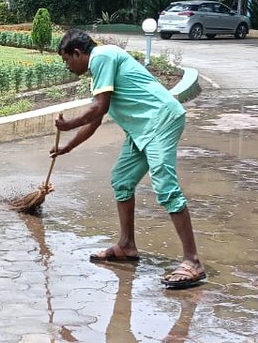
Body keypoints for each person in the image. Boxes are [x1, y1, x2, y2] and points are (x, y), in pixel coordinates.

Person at [50, 29, 205, 289]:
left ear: (78, 53)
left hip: (160, 121)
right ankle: (126, 245)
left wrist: (68, 125)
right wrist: (67, 147)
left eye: (67, 60)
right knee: (121, 180)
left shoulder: (101, 56)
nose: (67, 67)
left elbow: (99, 109)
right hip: (142, 130)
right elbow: (96, 121)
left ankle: (193, 262)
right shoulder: (99, 71)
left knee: (165, 187)